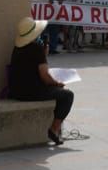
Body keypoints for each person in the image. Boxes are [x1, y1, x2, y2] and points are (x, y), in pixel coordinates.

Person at [7, 17, 74, 145]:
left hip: (16, 91)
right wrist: (57, 83)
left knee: (57, 92)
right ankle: (54, 129)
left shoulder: (17, 49)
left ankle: (56, 129)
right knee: (67, 95)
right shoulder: (36, 49)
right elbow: (45, 76)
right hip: (32, 92)